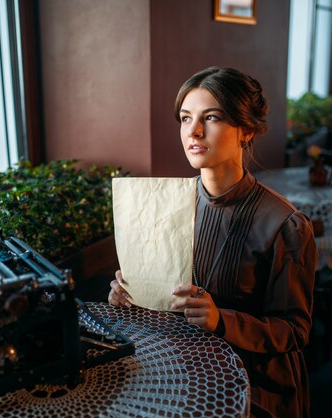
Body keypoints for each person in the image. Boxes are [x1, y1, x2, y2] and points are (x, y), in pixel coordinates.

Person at [108, 66, 317, 418]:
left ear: (246, 130)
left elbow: (294, 331)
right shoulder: (163, 205)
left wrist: (222, 321)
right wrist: (128, 295)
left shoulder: (285, 224)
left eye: (213, 117)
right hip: (177, 371)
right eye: (186, 118)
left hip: (253, 385)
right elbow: (162, 302)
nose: (194, 131)